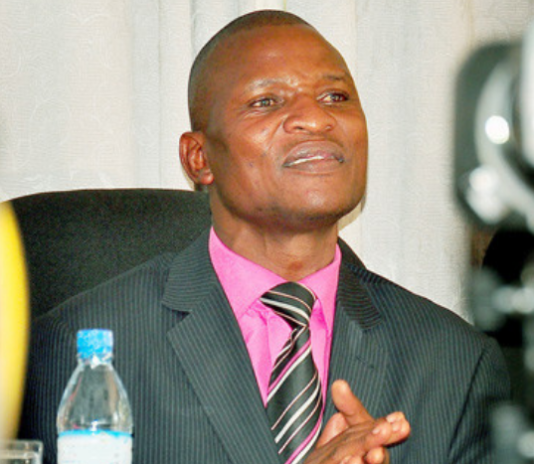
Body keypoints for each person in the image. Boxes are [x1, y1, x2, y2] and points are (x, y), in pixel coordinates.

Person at [19, 9, 509, 464]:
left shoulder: (455, 363)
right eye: (266, 101)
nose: (316, 118)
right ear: (199, 158)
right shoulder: (70, 346)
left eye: (335, 97)